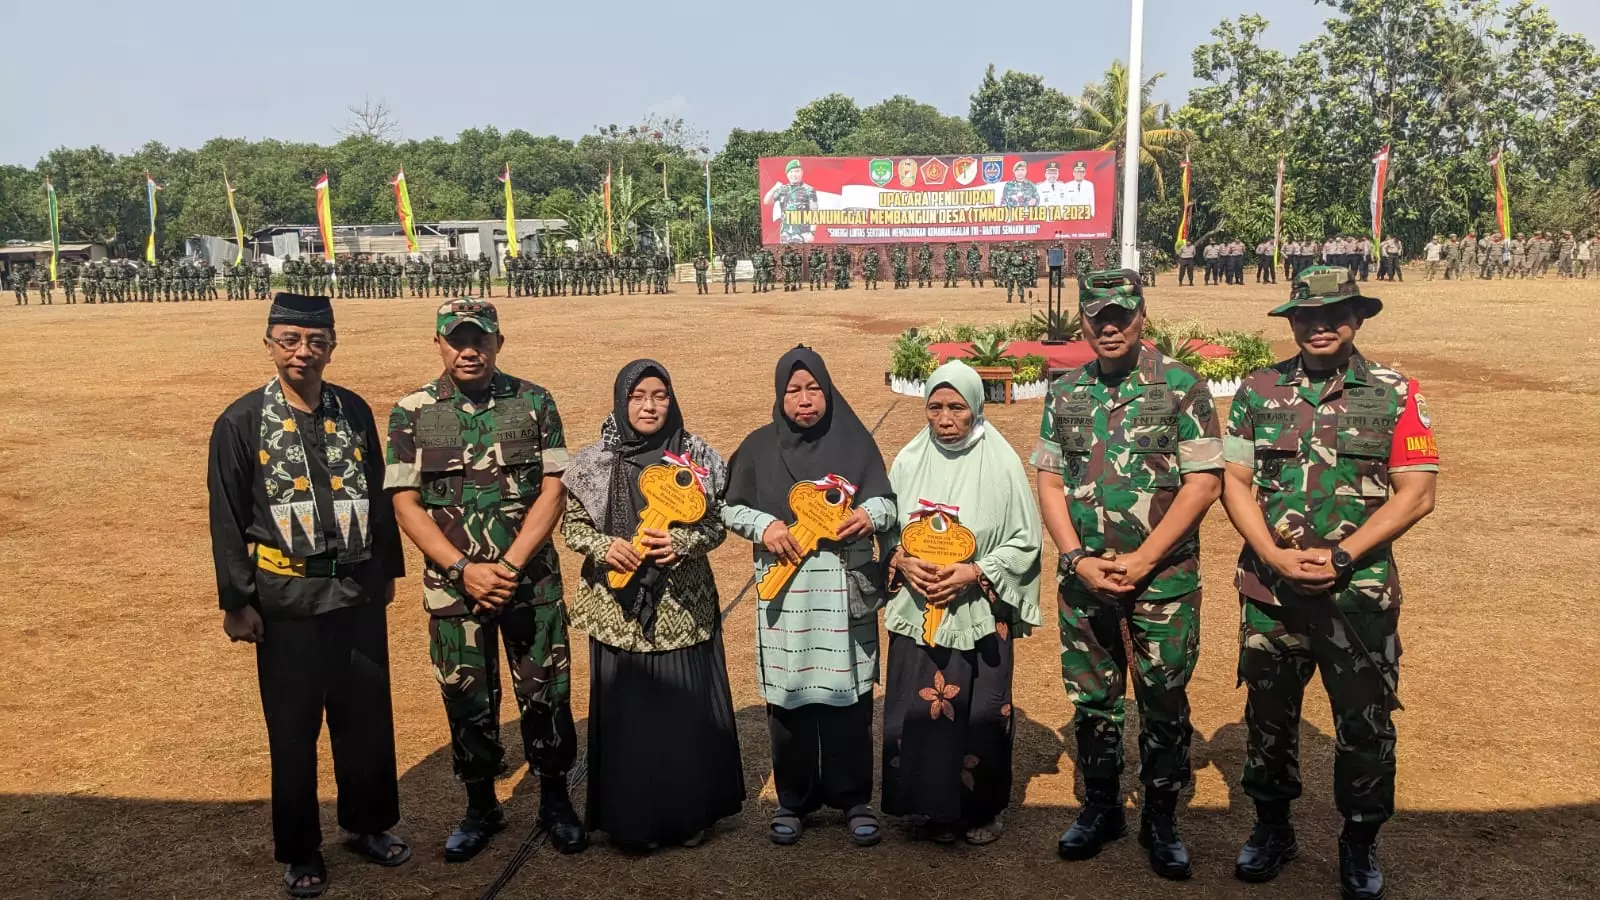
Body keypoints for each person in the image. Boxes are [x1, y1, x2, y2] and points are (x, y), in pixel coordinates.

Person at [1218, 265, 1438, 900]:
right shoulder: (1258, 391)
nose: (1321, 325)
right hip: (1271, 595)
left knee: (1365, 725)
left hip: (1357, 597)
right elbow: (1235, 482)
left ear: (1358, 317)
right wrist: (1273, 556)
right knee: (1268, 721)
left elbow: (1416, 493)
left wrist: (1344, 556)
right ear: (1292, 322)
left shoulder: (1396, 391)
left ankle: (1360, 842)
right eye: (1308, 315)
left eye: (1335, 313)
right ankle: (1271, 829)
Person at [207, 293, 410, 898]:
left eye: (315, 341)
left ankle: (367, 824)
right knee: (293, 728)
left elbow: (377, 497)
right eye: (290, 339)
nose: (303, 351)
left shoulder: (353, 410)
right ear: (269, 344)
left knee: (365, 718)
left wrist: (388, 571)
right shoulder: (241, 422)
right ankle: (300, 849)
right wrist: (235, 599)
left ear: (332, 346)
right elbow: (226, 515)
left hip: (354, 588)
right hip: (284, 595)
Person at [1033, 270, 1224, 880]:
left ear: (1142, 317)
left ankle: (1161, 818)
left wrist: (1144, 559)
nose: (1108, 326)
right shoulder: (1065, 392)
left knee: (1163, 698)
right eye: (1097, 316)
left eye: (1121, 314)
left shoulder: (1183, 387)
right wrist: (1074, 557)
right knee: (1093, 699)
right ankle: (1101, 807)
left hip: (1162, 580)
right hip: (1083, 578)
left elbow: (1205, 482)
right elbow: (1050, 478)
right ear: (1083, 321)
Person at [385, 299, 587, 861]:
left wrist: (512, 565)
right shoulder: (412, 412)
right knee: (466, 697)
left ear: (500, 342)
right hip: (455, 589)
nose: (468, 349)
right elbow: (405, 503)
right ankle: (480, 807)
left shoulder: (533, 401)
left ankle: (554, 800)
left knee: (546, 692)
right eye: (456, 339)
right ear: (439, 344)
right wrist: (462, 569)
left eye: (480, 339)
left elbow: (554, 489)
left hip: (531, 583)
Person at [560, 360, 744, 852]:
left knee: (684, 715)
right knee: (629, 719)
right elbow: (572, 528)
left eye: (659, 395)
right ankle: (631, 822)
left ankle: (688, 817)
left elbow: (719, 524)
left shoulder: (698, 456)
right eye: (638, 396)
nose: (649, 405)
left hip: (682, 608)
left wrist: (683, 543)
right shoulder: (594, 461)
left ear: (671, 398)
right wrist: (605, 547)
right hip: (617, 611)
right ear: (622, 401)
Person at [722, 346, 896, 848]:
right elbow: (730, 509)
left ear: (828, 391)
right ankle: (793, 800)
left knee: (850, 703)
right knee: (790, 702)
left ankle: (854, 798)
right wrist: (765, 525)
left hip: (843, 595)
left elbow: (886, 499)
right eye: (793, 390)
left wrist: (871, 516)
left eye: (813, 388)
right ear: (780, 396)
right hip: (786, 596)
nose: (804, 399)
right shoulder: (757, 448)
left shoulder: (856, 443)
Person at [880, 361, 1041, 845]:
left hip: (979, 615)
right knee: (919, 708)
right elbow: (886, 527)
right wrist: (903, 561)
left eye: (957, 408)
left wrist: (976, 572)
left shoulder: (1002, 463)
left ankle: (980, 809)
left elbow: (1025, 540)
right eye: (935, 407)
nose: (945, 419)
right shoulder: (908, 460)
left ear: (976, 408)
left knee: (979, 713)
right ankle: (926, 805)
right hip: (918, 610)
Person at [765, 159, 819, 244]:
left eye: (797, 171)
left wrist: (812, 233)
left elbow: (814, 213)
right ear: (787, 174)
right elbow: (767, 202)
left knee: (804, 257)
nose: (794, 174)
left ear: (802, 172)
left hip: (803, 235)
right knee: (786, 256)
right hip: (786, 234)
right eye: (791, 172)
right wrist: (774, 188)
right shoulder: (782, 190)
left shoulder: (809, 190)